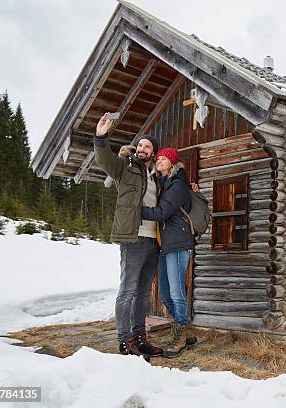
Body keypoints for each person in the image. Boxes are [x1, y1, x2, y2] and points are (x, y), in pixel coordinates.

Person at [93, 113, 164, 357]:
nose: (143, 148)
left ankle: (139, 337)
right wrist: (101, 136)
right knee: (128, 290)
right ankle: (125, 341)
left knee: (143, 292)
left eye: (148, 146)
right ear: (137, 149)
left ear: (153, 153)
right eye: (141, 145)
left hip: (153, 241)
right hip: (132, 238)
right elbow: (104, 160)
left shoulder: (156, 177)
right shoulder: (125, 168)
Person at [141, 147, 195, 355]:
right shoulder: (164, 183)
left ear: (172, 163)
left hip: (179, 244)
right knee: (164, 294)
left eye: (163, 159)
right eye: (159, 159)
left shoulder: (178, 185)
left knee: (176, 292)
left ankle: (180, 335)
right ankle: (185, 329)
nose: (159, 161)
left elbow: (163, 212)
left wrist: (137, 210)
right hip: (166, 244)